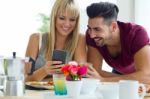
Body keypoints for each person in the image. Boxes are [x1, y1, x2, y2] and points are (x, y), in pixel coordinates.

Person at [85, 2, 150, 84]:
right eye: (89, 28)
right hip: (120, 73)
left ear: (113, 26)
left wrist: (103, 80)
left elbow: (146, 77)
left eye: (97, 29)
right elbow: (94, 72)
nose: (91, 35)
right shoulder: (93, 36)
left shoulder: (137, 33)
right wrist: (132, 79)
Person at [24, 0, 87, 81]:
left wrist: (65, 71)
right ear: (54, 18)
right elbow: (26, 78)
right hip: (36, 93)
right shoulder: (35, 39)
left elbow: (81, 75)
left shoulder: (80, 39)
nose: (67, 24)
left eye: (72, 19)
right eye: (62, 18)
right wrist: (44, 70)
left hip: (65, 92)